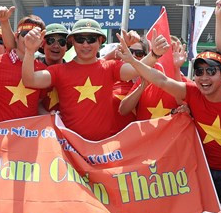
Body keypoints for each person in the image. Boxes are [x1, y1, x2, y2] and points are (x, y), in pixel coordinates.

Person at [117, 42, 221, 194]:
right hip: (198, 171)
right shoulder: (192, 92)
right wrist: (133, 61)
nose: (204, 78)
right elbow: (162, 80)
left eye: (211, 71)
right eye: (199, 72)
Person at [19, 19, 158, 141]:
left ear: (100, 41)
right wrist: (30, 51)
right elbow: (29, 80)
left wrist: (154, 54)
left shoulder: (110, 67)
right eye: (80, 39)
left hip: (102, 148)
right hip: (70, 148)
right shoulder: (59, 71)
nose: (85, 44)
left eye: (91, 39)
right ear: (72, 42)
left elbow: (135, 70)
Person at [0, 17, 48, 125]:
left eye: (35, 36)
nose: (29, 39)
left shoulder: (43, 71)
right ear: (16, 37)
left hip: (27, 137)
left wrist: (50, 116)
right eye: (25, 34)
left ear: (41, 42)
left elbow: (38, 103)